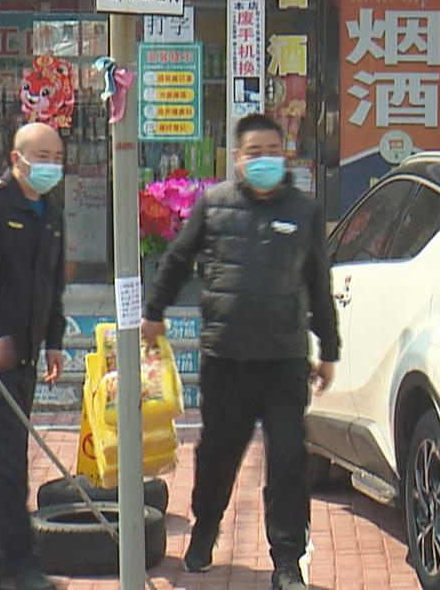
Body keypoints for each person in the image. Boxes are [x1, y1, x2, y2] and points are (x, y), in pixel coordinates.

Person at [141, 113, 338, 590]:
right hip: (226, 359)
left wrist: (329, 348)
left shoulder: (305, 212)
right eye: (254, 152)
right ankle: (205, 528)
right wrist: (153, 311)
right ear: (237, 158)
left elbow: (318, 282)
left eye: (272, 151)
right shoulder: (214, 205)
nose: (263, 159)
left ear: (284, 155)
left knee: (289, 460)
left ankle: (287, 561)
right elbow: (177, 259)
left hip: (284, 360)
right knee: (217, 456)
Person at [0, 122, 69, 590]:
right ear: (15, 158)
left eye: (57, 157)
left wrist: (54, 340)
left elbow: (52, 284)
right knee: (7, 462)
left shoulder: (51, 210)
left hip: (25, 352)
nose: (50, 165)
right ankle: (22, 566)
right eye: (41, 156)